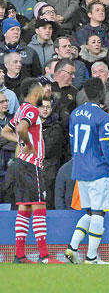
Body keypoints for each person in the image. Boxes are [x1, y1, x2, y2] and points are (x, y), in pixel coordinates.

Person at [0, 78, 62, 263]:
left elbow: (5, 131)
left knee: (24, 209)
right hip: (31, 165)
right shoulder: (32, 110)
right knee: (39, 207)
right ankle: (44, 255)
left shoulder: (21, 109)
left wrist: (21, 142)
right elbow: (21, 128)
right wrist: (28, 144)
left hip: (19, 164)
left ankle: (19, 255)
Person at [63, 77, 109, 265]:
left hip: (81, 169)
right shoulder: (103, 117)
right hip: (98, 170)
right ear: (102, 93)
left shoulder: (75, 114)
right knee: (98, 213)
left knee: (88, 212)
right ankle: (91, 257)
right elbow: (106, 148)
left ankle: (72, 248)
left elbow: (72, 143)